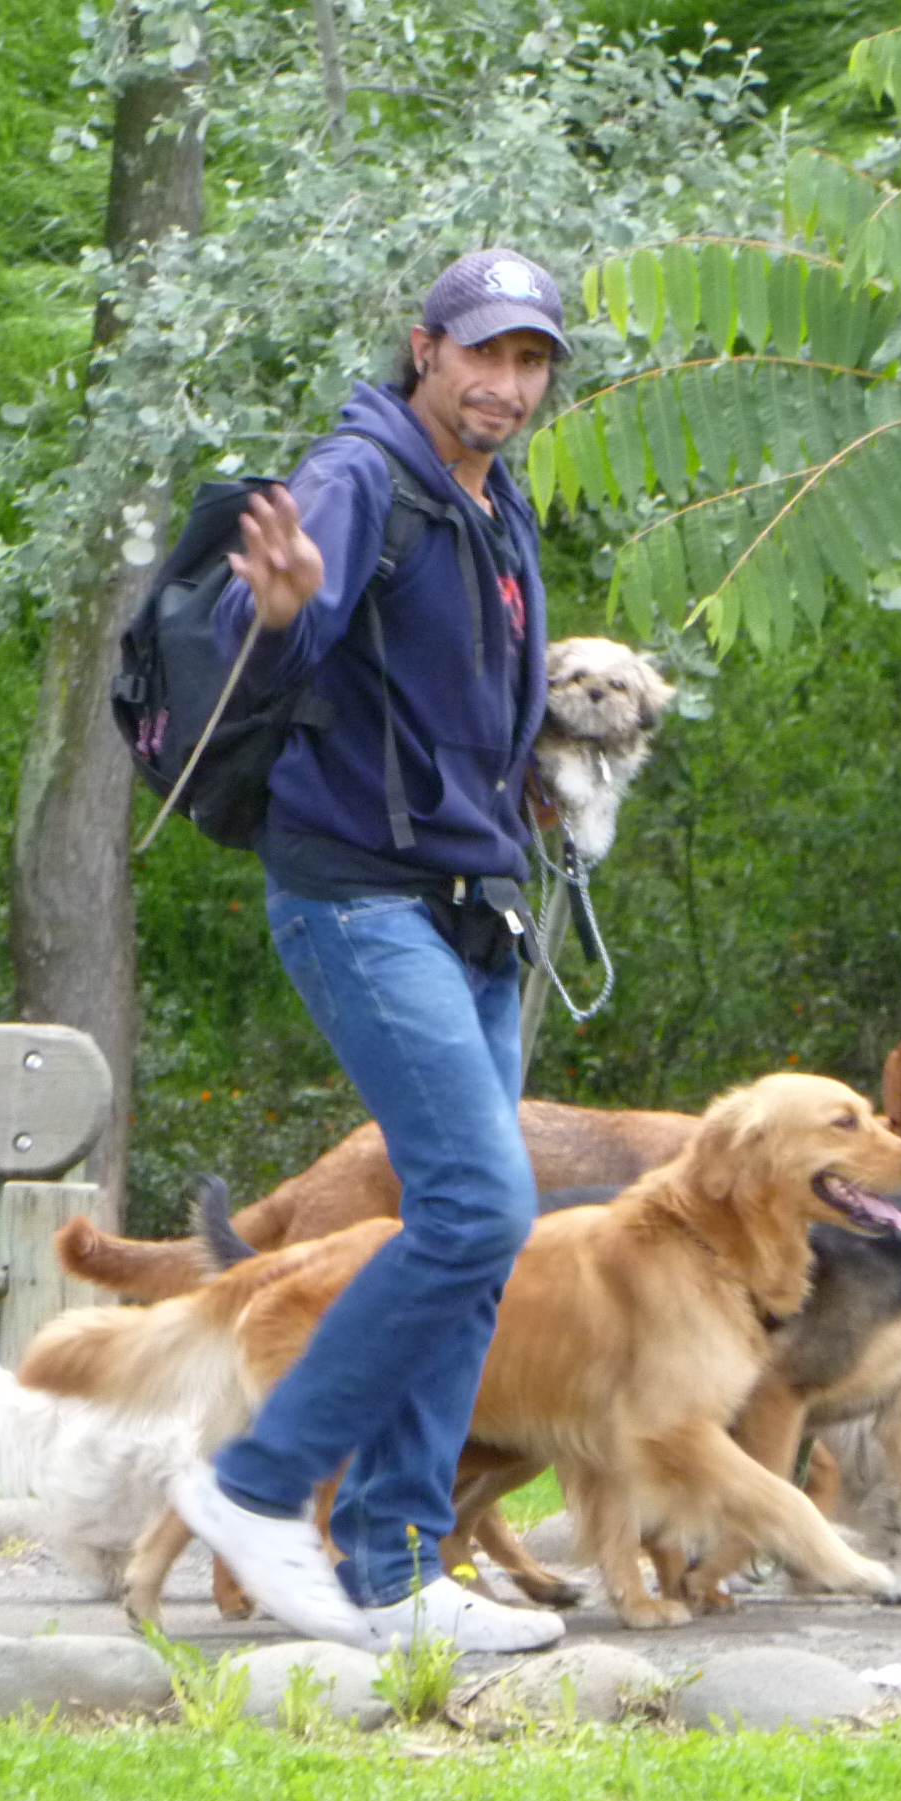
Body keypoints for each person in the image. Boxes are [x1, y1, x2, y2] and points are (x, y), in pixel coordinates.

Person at [168, 250, 570, 1654]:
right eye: (485, 356)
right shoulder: (359, 475)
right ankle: (257, 1484)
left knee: (474, 1239)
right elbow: (262, 629)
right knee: (476, 1207)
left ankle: (399, 1565)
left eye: (531, 363)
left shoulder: (493, 499)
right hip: (358, 899)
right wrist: (275, 613)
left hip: (475, 907)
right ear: (425, 349)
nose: (506, 386)